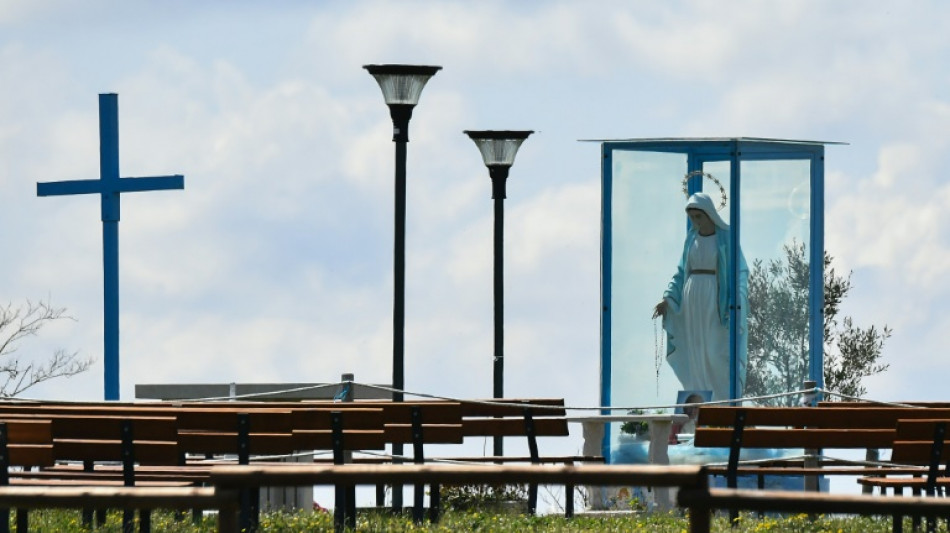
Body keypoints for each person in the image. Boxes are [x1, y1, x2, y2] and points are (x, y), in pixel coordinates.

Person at [652, 192, 748, 402]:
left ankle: (722, 403)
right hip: (691, 300)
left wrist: (738, 299)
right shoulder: (692, 239)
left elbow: (740, 271)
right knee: (695, 349)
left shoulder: (726, 238)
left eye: (699, 216)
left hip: (716, 300)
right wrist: (667, 299)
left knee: (715, 351)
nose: (695, 221)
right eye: (692, 217)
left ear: (709, 214)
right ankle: (699, 401)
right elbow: (680, 272)